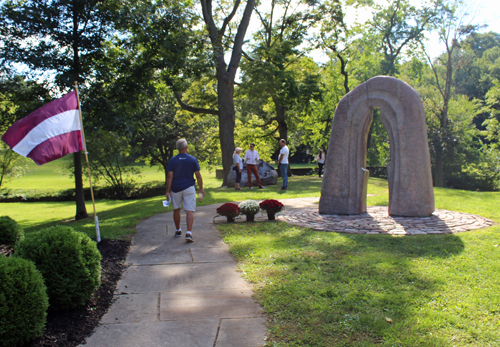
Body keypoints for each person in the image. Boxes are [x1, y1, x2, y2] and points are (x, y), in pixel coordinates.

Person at [166, 139, 205, 243]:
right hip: (189, 187)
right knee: (189, 210)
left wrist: (167, 191)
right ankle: (189, 233)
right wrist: (200, 188)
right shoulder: (192, 159)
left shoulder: (173, 160)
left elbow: (169, 176)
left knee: (176, 209)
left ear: (178, 148)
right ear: (186, 147)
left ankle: (178, 230)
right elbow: (198, 176)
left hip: (176, 188)